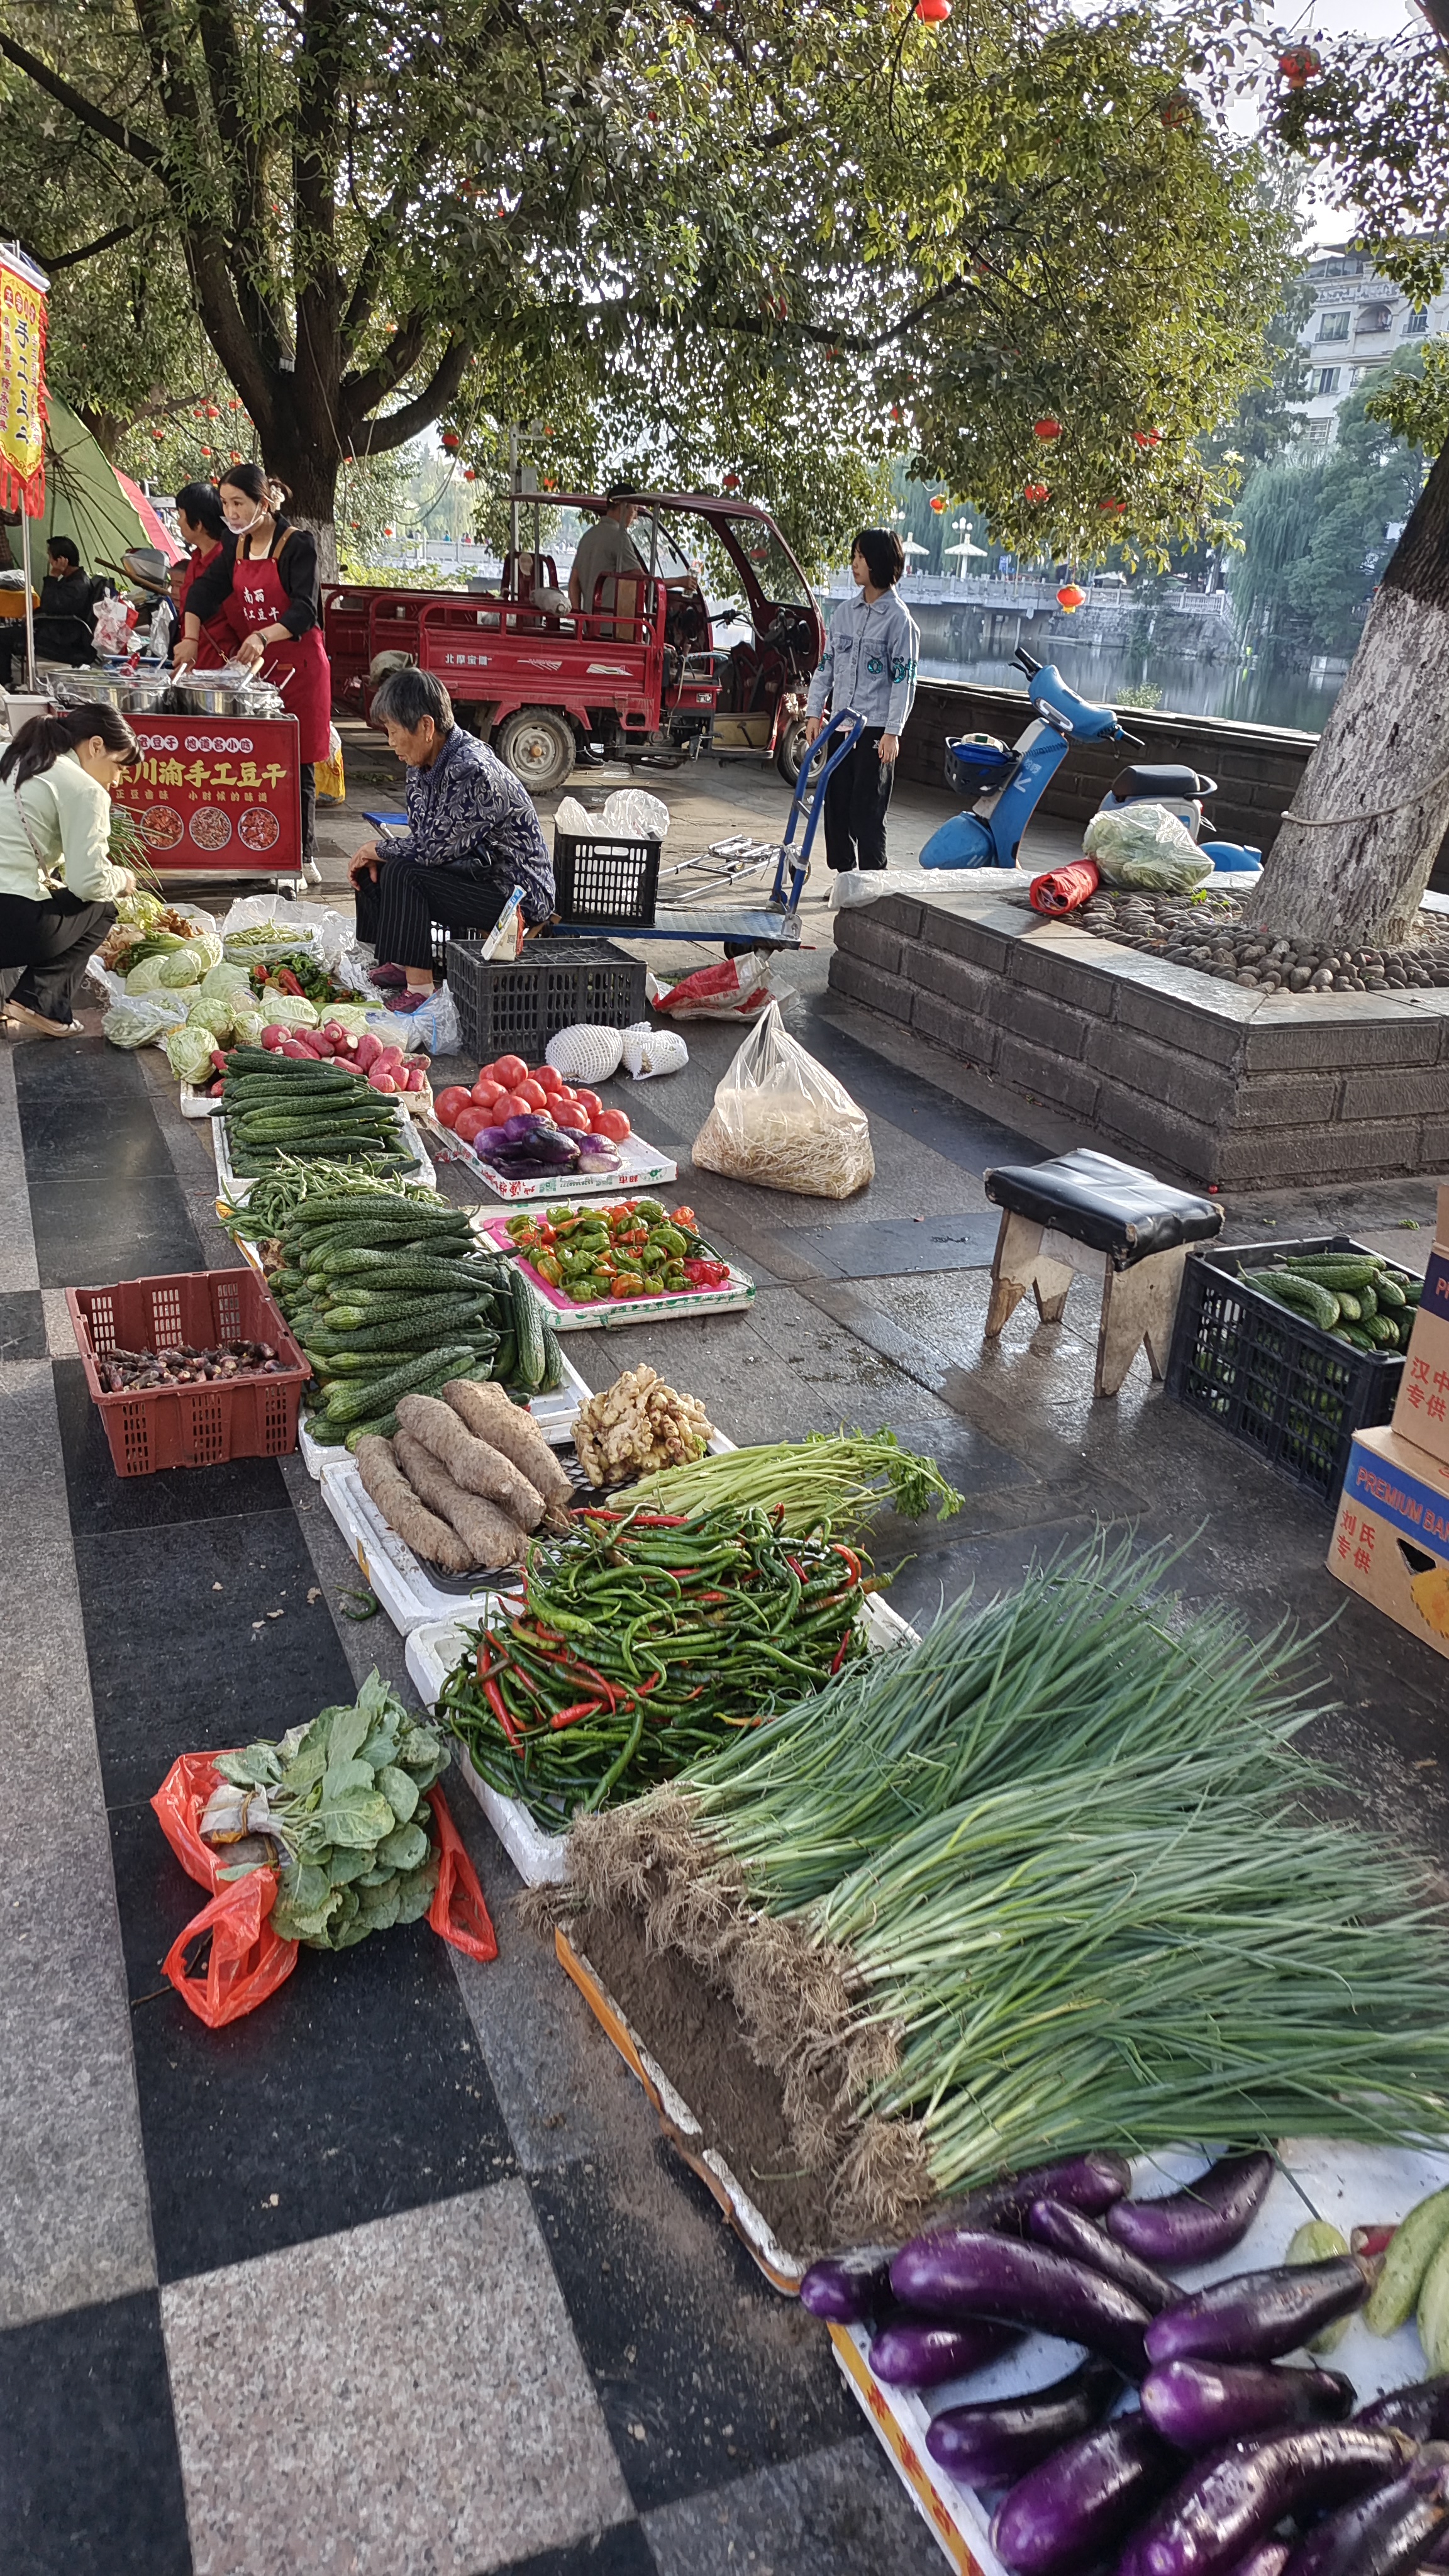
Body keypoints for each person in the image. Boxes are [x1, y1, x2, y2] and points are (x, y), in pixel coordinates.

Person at [348, 669, 554, 1009]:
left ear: (426, 727)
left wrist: (377, 847)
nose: (391, 742)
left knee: (402, 870)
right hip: (472, 871)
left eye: (394, 731)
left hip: (514, 896)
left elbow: (432, 849)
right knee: (374, 868)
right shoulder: (421, 765)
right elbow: (424, 836)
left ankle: (421, 988)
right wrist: (378, 854)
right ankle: (398, 962)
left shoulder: (472, 769)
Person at [173, 463, 330, 870]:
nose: (232, 514)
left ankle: (302, 854)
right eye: (226, 505)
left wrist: (262, 635)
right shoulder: (234, 545)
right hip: (258, 670)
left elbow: (304, 610)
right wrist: (189, 639)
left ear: (263, 503)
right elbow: (204, 593)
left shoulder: (298, 545)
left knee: (299, 760)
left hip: (300, 667)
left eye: (239, 503)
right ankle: (262, 848)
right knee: (260, 758)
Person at [0, 703, 137, 1036]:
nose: (117, 780)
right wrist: (124, 878)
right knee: (102, 906)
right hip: (9, 922)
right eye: (119, 766)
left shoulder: (10, 753)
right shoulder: (83, 787)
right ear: (95, 746)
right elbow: (89, 883)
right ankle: (40, 1002)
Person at [804, 527, 919, 880]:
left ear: (879, 562)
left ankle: (873, 879)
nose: (854, 564)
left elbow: (904, 680)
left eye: (860, 556)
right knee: (836, 807)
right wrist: (813, 711)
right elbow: (826, 667)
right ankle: (845, 876)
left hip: (874, 733)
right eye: (853, 556)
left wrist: (893, 732)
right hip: (840, 727)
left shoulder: (900, 621)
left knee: (866, 811)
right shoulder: (844, 614)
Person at [0, 536, 95, 688]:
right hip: (54, 629)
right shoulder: (72, 579)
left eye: (51, 557)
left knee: (3, 637)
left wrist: (52, 577)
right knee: (7, 633)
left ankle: (4, 683)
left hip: (62, 637)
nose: (50, 561)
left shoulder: (77, 586)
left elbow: (51, 606)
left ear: (61, 560)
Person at [172, 483, 241, 668]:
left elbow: (241, 623)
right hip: (193, 665)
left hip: (222, 669)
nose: (178, 522)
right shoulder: (195, 559)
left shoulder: (226, 563)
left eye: (181, 516)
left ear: (199, 524)